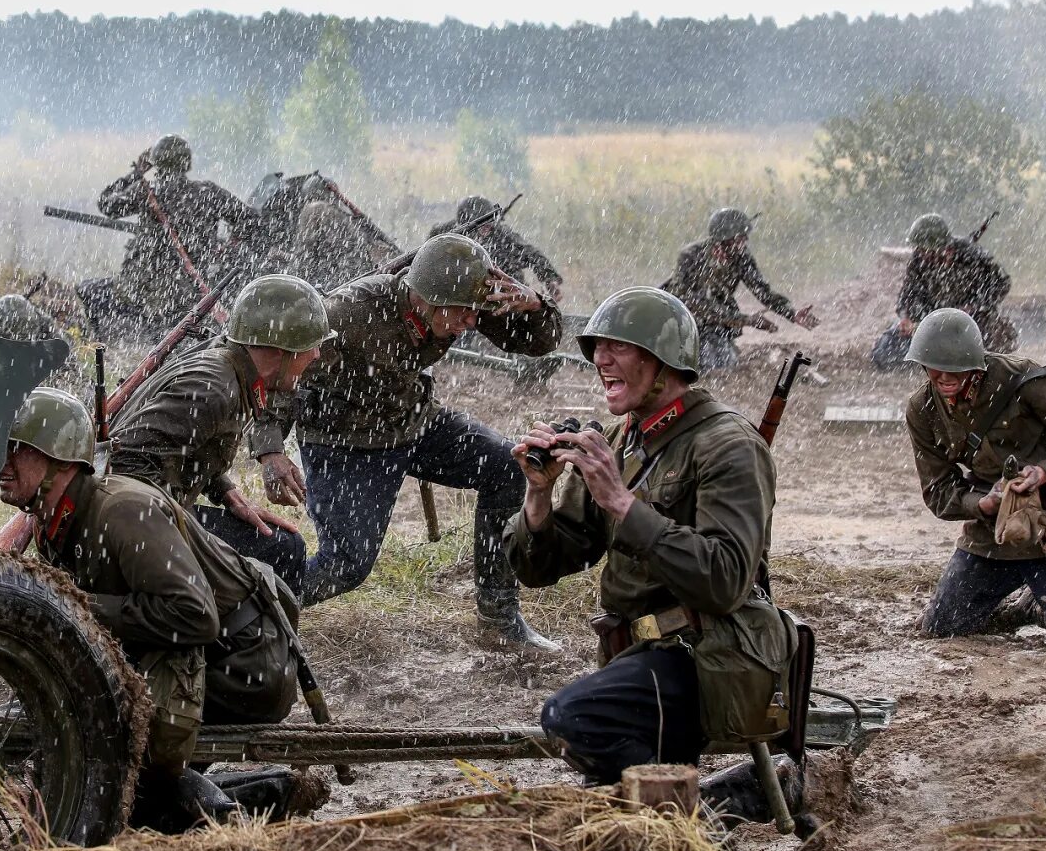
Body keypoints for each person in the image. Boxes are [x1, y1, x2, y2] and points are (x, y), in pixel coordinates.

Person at [507, 287, 794, 788]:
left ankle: (694, 820)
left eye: (619, 346)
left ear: (664, 360)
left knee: (573, 719)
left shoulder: (729, 446)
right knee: (606, 792)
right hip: (645, 653)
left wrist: (622, 503)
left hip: (712, 656)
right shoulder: (625, 439)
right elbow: (541, 567)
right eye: (597, 347)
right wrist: (538, 496)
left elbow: (724, 581)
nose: (601, 359)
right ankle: (710, 803)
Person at [0, 388, 307, 827]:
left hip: (245, 663)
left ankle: (257, 797)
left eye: (20, 452)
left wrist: (76, 607)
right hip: (192, 656)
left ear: (62, 461)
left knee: (109, 797)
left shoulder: (122, 511)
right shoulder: (54, 517)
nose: (3, 467)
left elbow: (195, 615)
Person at [256, 232, 564, 652]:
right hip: (343, 439)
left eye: (476, 312)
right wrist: (271, 448)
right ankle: (250, 609)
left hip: (414, 421)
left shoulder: (459, 300)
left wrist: (534, 305)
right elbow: (280, 369)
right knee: (345, 565)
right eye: (461, 314)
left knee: (508, 467)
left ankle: (499, 617)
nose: (471, 323)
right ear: (422, 298)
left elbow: (537, 343)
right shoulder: (349, 312)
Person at [108, 274, 331, 592]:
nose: (317, 356)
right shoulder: (215, 388)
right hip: (130, 528)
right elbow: (126, 463)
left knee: (282, 544)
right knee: (284, 551)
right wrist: (183, 536)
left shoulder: (229, 369)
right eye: (311, 346)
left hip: (144, 517)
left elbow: (182, 444)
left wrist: (225, 491)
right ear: (284, 350)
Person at [901, 308, 1046, 642]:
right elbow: (937, 490)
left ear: (975, 363)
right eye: (934, 368)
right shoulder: (923, 410)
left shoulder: (1022, 381)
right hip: (993, 533)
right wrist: (981, 504)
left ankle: (1039, 601)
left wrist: (1045, 472)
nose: (944, 377)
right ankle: (1025, 608)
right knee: (943, 629)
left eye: (954, 369)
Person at [79, 135, 261, 340]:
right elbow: (251, 220)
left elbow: (106, 204)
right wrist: (227, 246)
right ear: (186, 163)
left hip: (145, 290)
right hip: (195, 289)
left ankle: (101, 345)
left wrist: (136, 173)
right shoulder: (207, 192)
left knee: (87, 290)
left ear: (156, 163)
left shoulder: (147, 192)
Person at [662, 207, 818, 370]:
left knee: (725, 364)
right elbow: (694, 304)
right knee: (700, 364)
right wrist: (746, 320)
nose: (744, 243)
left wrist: (791, 313)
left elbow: (762, 291)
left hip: (715, 326)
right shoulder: (691, 256)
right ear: (723, 240)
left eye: (745, 237)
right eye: (740, 238)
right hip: (681, 323)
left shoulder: (741, 257)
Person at [872, 214, 1016, 370]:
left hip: (972, 318)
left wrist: (973, 306)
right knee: (884, 351)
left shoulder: (972, 256)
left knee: (978, 354)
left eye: (924, 250)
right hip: (932, 318)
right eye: (919, 249)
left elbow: (1002, 283)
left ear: (941, 247)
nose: (920, 254)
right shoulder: (919, 261)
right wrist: (905, 317)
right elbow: (908, 295)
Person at [429, 195, 564, 304]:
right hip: (461, 295)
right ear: (464, 223)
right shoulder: (445, 234)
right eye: (481, 224)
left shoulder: (501, 236)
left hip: (504, 294)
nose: (487, 227)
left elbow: (531, 254)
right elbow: (426, 260)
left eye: (490, 222)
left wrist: (549, 279)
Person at [291, 200, 381, 291]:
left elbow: (352, 281)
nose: (313, 224)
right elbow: (299, 273)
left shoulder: (350, 247)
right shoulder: (311, 251)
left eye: (315, 220)